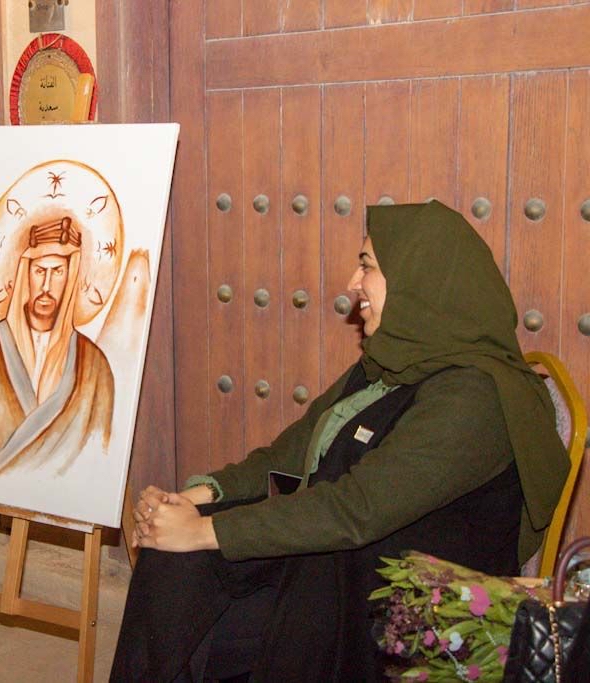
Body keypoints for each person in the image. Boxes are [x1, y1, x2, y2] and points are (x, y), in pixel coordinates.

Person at [110, 200, 571, 682]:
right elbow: (288, 455)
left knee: (205, 606)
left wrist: (204, 532)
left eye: (367, 266)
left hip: (407, 606)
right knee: (175, 565)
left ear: (418, 278)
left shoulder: (476, 398)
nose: (353, 282)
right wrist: (190, 501)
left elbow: (357, 508)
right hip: (336, 565)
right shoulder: (387, 365)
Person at [0, 216, 114, 475]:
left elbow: (99, 449)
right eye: (40, 271)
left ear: (70, 277)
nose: (46, 286)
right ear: (25, 274)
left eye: (57, 272)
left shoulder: (94, 366)